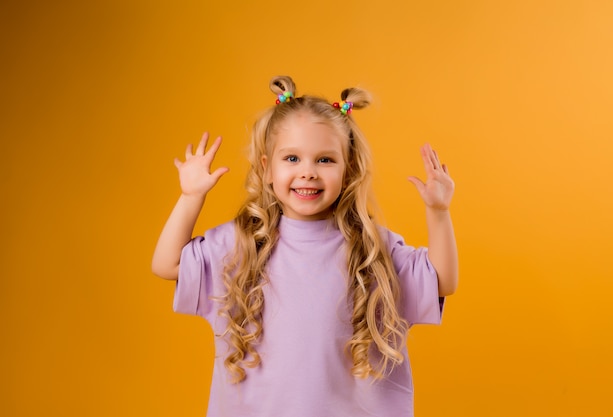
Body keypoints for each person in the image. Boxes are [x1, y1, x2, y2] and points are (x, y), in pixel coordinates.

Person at [152, 75, 458, 417]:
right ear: (267, 168)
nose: (308, 172)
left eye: (325, 160)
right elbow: (167, 265)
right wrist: (191, 197)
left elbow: (442, 280)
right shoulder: (239, 244)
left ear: (348, 169)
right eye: (292, 159)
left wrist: (438, 212)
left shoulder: (372, 247)